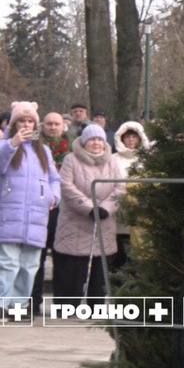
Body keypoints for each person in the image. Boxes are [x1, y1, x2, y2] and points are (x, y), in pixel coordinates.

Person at [0, 101, 60, 320]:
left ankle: (17, 307)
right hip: (8, 216)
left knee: (29, 266)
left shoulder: (43, 151)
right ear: (14, 124)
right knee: (6, 264)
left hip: (36, 217)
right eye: (22, 121)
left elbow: (54, 179)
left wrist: (53, 196)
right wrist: (13, 144)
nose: (26, 125)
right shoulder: (2, 144)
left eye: (30, 121)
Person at [54, 125, 125, 305]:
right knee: (72, 272)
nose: (96, 143)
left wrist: (106, 208)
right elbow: (66, 187)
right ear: (84, 141)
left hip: (103, 224)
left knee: (99, 274)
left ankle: (96, 307)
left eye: (100, 139)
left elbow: (120, 188)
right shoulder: (71, 159)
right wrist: (90, 208)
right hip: (75, 224)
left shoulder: (112, 161)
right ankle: (67, 307)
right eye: (92, 139)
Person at [32, 111, 71, 310]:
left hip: (65, 210)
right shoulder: (34, 145)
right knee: (35, 258)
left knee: (63, 259)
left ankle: (63, 303)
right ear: (42, 126)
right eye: (49, 124)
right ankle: (33, 301)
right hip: (39, 206)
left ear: (63, 126)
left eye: (57, 124)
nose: (53, 127)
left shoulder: (72, 147)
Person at [113, 120, 151, 271]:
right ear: (121, 138)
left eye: (134, 137)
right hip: (118, 207)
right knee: (119, 243)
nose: (130, 140)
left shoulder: (146, 159)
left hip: (141, 209)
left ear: (140, 138)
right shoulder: (113, 159)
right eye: (127, 137)